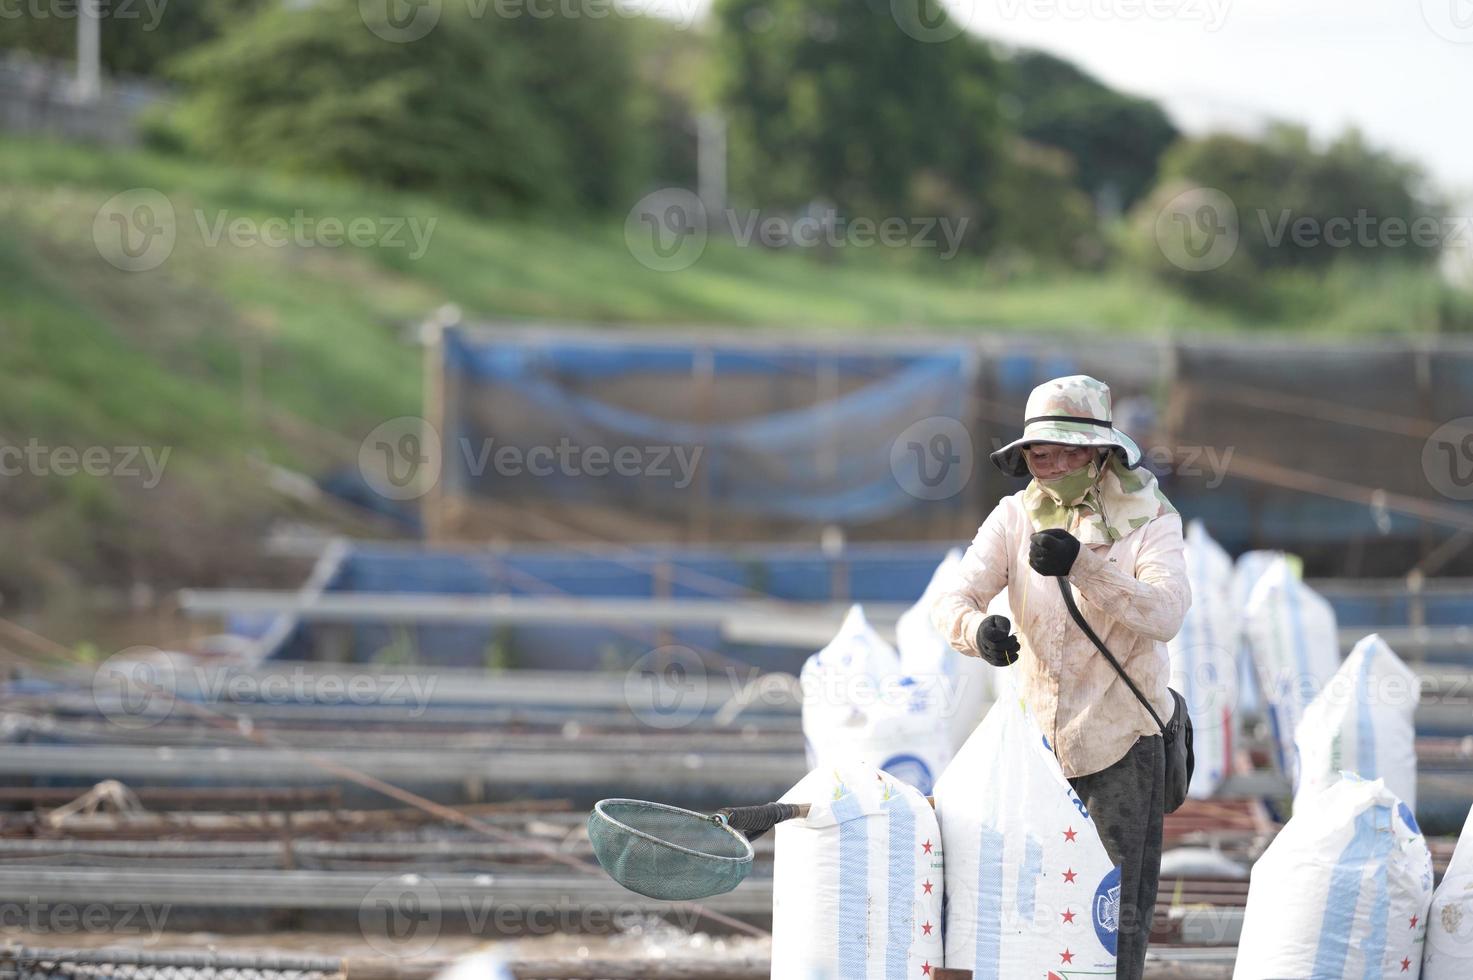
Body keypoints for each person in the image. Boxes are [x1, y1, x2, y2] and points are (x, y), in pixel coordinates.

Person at [931, 374, 1189, 980]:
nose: (1041, 462)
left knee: (1111, 921)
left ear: (1097, 454)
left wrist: (1085, 569)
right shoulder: (1013, 517)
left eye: (1058, 449)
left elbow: (1166, 613)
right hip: (1036, 755)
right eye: (1034, 452)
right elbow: (955, 596)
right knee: (1033, 915)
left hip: (1124, 746)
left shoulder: (1150, 519)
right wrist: (977, 632)